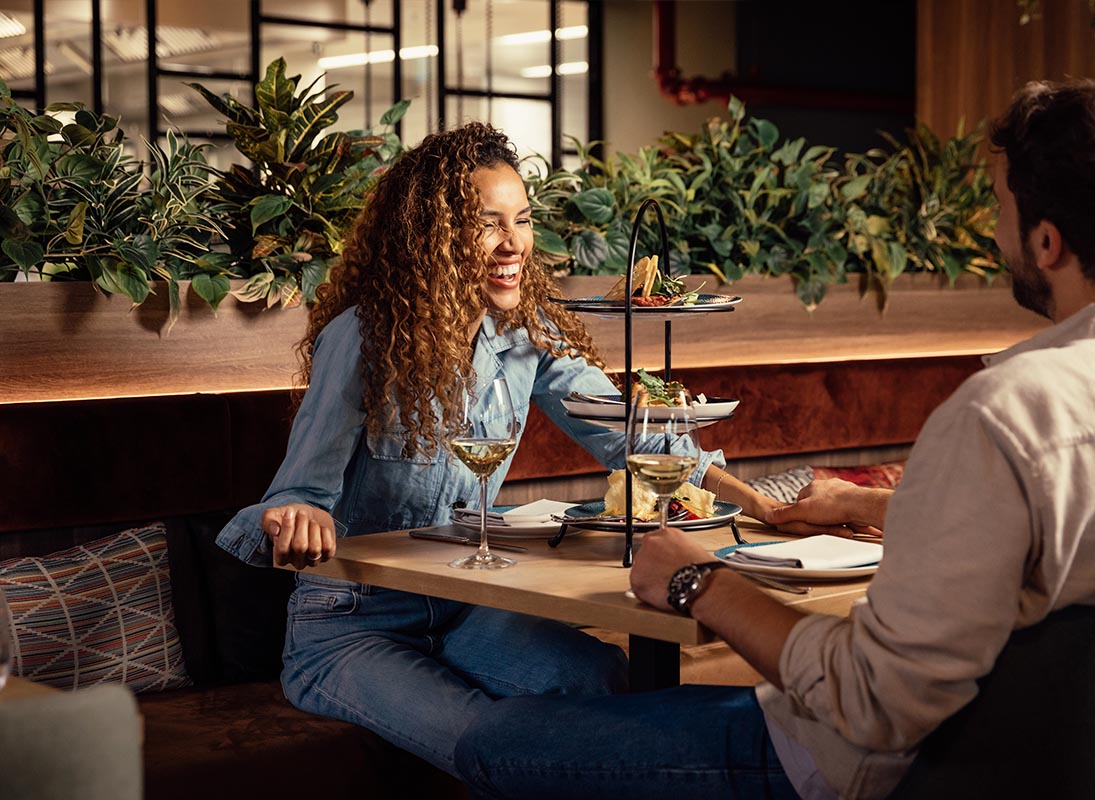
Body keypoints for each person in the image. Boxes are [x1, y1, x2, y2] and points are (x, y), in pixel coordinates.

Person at [452, 78, 1095, 799]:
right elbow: (1061, 541)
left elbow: (870, 702)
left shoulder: (1006, 416)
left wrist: (698, 581)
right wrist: (865, 505)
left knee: (492, 742)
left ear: (1047, 241)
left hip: (863, 768)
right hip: (1084, 767)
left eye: (1000, 208)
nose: (993, 231)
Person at [216, 122, 785, 779]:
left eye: (522, 219)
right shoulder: (365, 336)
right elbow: (298, 493)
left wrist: (764, 508)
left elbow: (636, 436)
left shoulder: (525, 333)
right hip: (352, 625)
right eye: (487, 223)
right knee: (489, 738)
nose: (513, 242)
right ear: (432, 235)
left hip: (469, 609)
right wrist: (297, 517)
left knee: (603, 675)